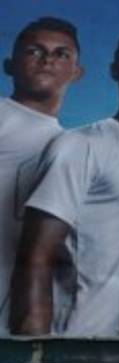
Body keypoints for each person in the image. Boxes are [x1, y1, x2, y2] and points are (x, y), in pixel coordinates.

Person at [13, 28, 119, 337]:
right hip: (80, 343)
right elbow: (36, 257)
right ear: (116, 71)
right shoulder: (81, 145)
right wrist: (34, 354)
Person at [0, 16, 83, 334]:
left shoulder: (73, 145)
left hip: (17, 318)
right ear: (10, 65)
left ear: (77, 73)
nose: (48, 59)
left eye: (61, 53)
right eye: (35, 51)